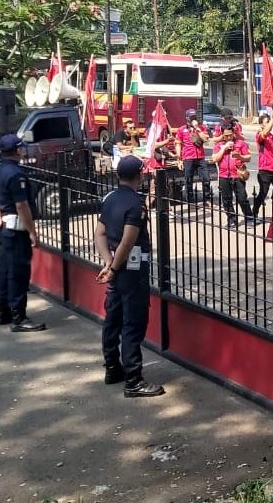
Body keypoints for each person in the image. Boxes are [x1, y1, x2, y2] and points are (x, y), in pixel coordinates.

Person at [94, 155, 165, 397]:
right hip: (131, 270)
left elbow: (100, 233)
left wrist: (108, 262)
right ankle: (133, 380)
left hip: (115, 265)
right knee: (133, 322)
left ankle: (113, 367)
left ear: (117, 176)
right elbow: (129, 238)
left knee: (113, 318)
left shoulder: (109, 199)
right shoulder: (137, 203)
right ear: (140, 175)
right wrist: (114, 268)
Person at [0, 134, 47, 332]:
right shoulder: (16, 174)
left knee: (4, 271)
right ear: (18, 150)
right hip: (16, 228)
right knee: (18, 274)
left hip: (3, 228)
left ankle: (3, 312)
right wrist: (32, 232)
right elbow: (22, 206)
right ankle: (19, 318)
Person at [211, 115, 254, 228]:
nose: (229, 138)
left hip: (237, 175)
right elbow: (215, 159)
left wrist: (240, 156)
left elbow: (248, 157)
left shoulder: (240, 143)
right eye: (226, 136)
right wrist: (224, 148)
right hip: (224, 176)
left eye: (230, 135)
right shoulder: (219, 145)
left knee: (242, 198)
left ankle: (249, 218)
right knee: (227, 200)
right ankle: (231, 220)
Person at [251, 114, 273, 220]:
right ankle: (254, 213)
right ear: (261, 124)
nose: (270, 122)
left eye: (270, 120)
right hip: (265, 170)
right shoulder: (260, 135)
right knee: (263, 193)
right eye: (267, 121)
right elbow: (264, 134)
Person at [177, 108, 212, 204]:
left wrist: (198, 129)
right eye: (191, 117)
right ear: (187, 118)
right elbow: (178, 143)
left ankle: (207, 199)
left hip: (200, 157)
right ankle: (190, 200)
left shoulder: (201, 128)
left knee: (206, 178)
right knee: (188, 180)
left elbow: (205, 139)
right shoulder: (181, 130)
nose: (193, 118)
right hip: (188, 157)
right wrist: (179, 158)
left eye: (194, 116)